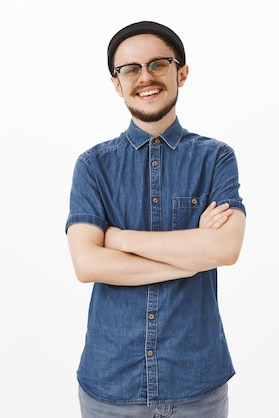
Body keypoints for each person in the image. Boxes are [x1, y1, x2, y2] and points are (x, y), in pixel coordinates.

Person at [65, 20, 246, 418]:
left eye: (158, 64)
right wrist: (190, 252)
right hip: (111, 383)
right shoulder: (93, 166)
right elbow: (88, 264)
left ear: (181, 72)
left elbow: (225, 248)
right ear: (117, 83)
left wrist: (120, 240)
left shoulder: (216, 158)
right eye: (130, 69)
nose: (145, 77)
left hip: (197, 383)